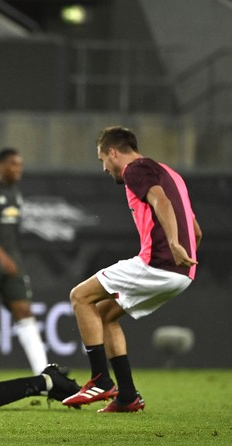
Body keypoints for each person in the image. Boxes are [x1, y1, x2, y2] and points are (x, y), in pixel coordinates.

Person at [62, 126, 202, 413]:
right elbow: (196, 230)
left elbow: (161, 201)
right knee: (105, 315)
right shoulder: (169, 172)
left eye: (102, 159)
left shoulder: (135, 170)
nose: (104, 168)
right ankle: (127, 396)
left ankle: (101, 380)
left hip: (158, 263)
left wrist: (173, 244)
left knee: (80, 297)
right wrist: (185, 249)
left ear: (113, 152)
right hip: (182, 274)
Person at [0, 147, 48, 374]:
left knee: (24, 311)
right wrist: (2, 257)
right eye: (13, 164)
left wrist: (12, 257)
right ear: (1, 165)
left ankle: (44, 373)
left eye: (19, 164)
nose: (18, 169)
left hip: (12, 263)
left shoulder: (15, 192)